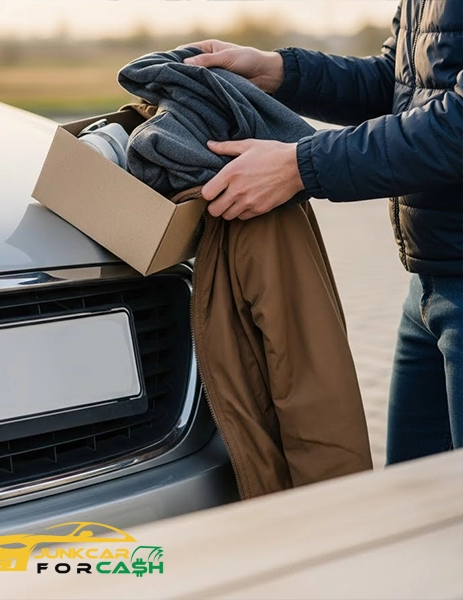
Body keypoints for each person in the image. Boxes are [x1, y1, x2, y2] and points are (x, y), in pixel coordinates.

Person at [181, 0, 462, 465]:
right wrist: (278, 72)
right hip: (429, 283)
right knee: (417, 513)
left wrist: (301, 166)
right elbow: (400, 87)